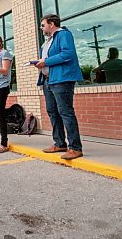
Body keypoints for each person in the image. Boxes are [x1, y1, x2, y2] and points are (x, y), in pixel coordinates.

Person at [35, 14, 84, 160]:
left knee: (66, 112)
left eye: (43, 25)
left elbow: (68, 54)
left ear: (51, 24)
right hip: (48, 80)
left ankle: (75, 147)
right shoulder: (48, 41)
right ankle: (59, 143)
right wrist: (40, 63)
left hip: (62, 79)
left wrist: (46, 62)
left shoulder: (63, 34)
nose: (41, 28)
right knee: (52, 112)